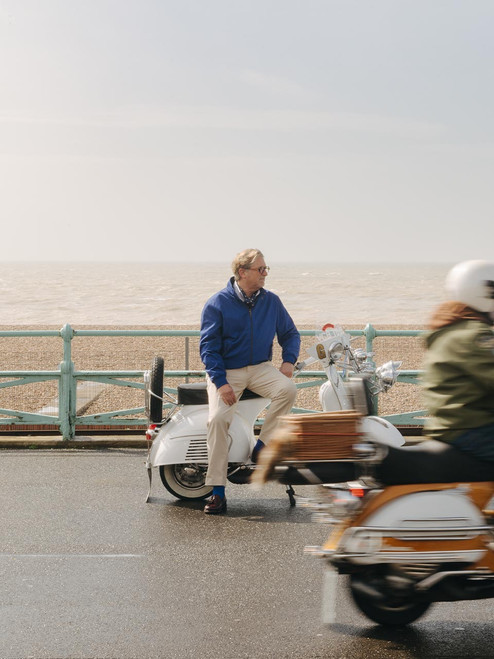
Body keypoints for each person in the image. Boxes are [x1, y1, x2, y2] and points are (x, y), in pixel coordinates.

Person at [199, 248, 301, 514]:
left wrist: (288, 361)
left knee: (287, 390)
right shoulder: (217, 303)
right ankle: (218, 491)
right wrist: (221, 383)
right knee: (218, 420)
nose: (266, 273)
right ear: (242, 272)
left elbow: (290, 334)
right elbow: (208, 349)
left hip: (260, 368)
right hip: (227, 371)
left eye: (266, 268)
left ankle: (262, 446)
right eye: (261, 269)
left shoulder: (271, 301)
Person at [421, 259, 494, 462]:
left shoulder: (449, 330)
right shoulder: (474, 335)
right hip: (471, 428)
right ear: (485, 293)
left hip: (448, 425)